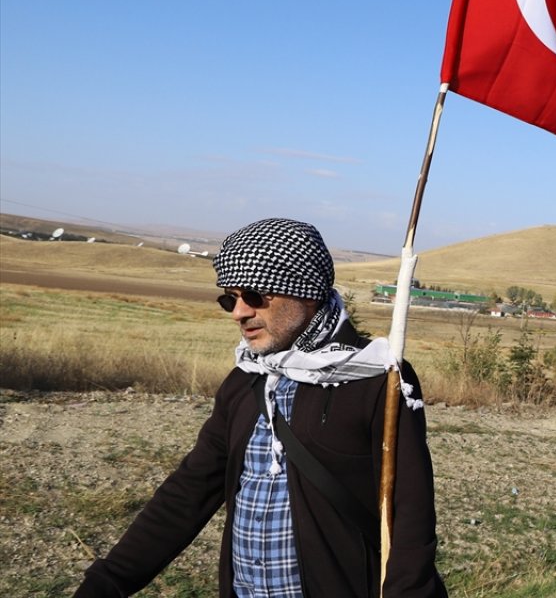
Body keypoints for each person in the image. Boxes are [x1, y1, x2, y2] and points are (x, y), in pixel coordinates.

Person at [75, 218, 448, 597]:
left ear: (304, 290)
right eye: (229, 298)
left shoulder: (375, 380)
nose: (239, 312)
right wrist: (109, 581)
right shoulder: (245, 381)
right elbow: (188, 493)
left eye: (253, 296)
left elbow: (410, 518)